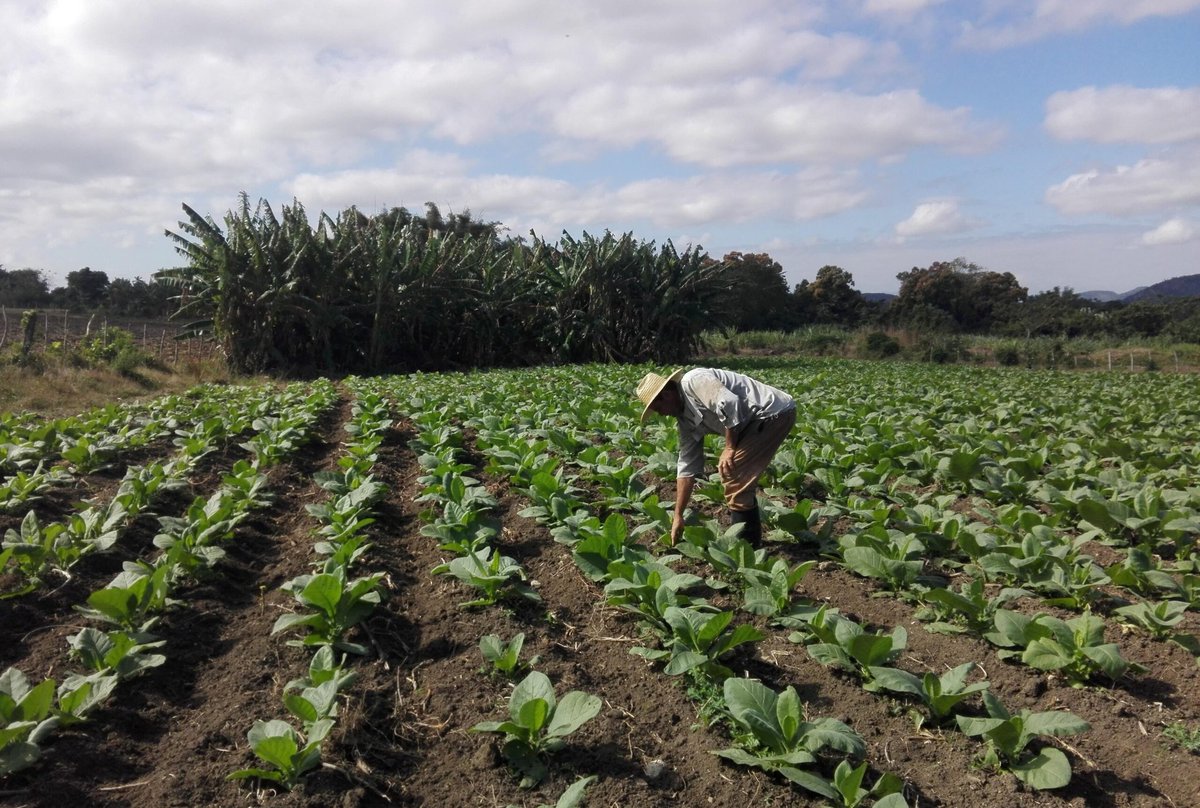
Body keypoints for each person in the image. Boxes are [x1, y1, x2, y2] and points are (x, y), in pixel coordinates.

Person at [635, 367, 796, 545]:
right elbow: (687, 465)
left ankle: (747, 547)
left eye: (658, 408)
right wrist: (678, 515)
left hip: (772, 413)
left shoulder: (693, 381)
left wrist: (729, 447)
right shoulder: (685, 421)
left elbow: (729, 402)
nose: (661, 414)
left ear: (667, 395)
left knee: (733, 475)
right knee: (734, 475)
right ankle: (747, 543)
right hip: (754, 423)